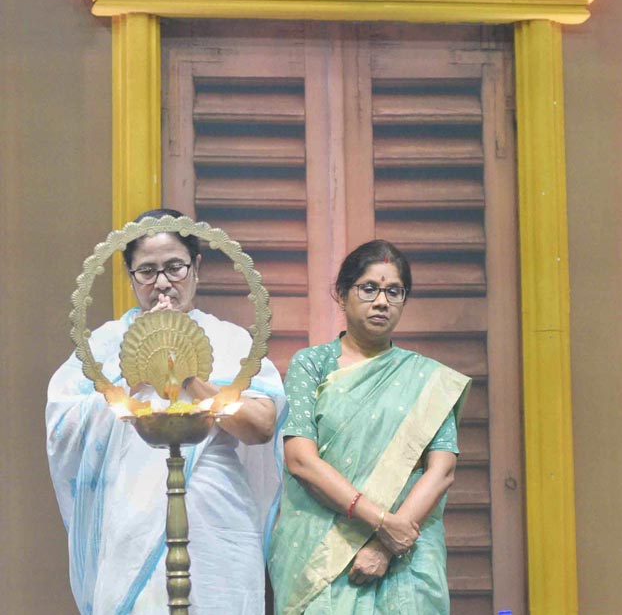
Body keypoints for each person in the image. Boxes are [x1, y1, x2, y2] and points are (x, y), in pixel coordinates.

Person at [46, 208, 287, 614]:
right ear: (131, 277)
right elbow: (63, 428)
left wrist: (190, 372)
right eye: (147, 271)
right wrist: (140, 366)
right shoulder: (104, 346)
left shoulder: (230, 341)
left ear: (197, 267)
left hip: (215, 521)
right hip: (130, 519)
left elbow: (262, 425)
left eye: (174, 267)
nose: (162, 283)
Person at [267, 239, 470, 614]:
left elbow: (441, 470)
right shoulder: (312, 365)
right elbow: (300, 461)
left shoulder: (425, 379)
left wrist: (387, 543)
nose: (381, 302)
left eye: (394, 291)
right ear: (343, 295)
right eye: (369, 288)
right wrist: (380, 522)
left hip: (403, 555)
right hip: (320, 550)